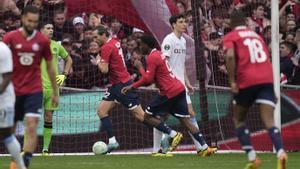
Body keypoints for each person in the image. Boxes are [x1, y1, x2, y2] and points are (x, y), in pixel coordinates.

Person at [90, 26, 183, 153]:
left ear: (104, 35)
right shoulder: (114, 41)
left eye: (96, 37)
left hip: (122, 85)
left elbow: (104, 70)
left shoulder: (106, 48)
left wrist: (98, 60)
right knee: (101, 111)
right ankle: (112, 141)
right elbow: (113, 33)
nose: (94, 40)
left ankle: (171, 133)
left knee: (141, 116)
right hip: (115, 86)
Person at [122, 35, 216, 156]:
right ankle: (203, 147)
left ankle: (172, 134)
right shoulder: (158, 54)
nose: (140, 47)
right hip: (178, 89)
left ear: (146, 45)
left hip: (168, 91)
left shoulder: (152, 57)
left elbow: (148, 80)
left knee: (147, 116)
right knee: (185, 120)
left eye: (141, 45)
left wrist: (137, 73)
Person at [223, 10, 287, 169]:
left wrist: (232, 81)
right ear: (244, 22)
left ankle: (253, 158)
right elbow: (266, 59)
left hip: (247, 80)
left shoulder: (231, 36)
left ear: (231, 24)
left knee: (239, 119)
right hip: (266, 79)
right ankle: (280, 153)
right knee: (269, 121)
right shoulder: (256, 36)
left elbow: (230, 56)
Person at [153, 13, 217, 157]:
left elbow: (181, 64)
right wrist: (165, 83)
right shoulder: (168, 40)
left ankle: (201, 148)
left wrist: (187, 82)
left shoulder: (182, 41)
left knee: (190, 114)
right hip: (170, 85)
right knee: (160, 117)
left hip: (180, 85)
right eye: (181, 22)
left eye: (185, 22)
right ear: (174, 24)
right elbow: (164, 64)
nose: (184, 24)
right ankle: (157, 148)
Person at [3, 6, 58, 168]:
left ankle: (25, 161)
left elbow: (50, 67)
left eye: (35, 22)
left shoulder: (42, 41)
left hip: (34, 90)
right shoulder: (10, 38)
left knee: (32, 124)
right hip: (13, 90)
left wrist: (55, 91)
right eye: (29, 21)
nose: (32, 24)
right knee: (9, 131)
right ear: (22, 19)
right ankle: (16, 158)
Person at [39, 22, 73, 155]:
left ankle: (45, 149)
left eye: (52, 28)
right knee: (31, 118)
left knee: (48, 117)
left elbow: (69, 60)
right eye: (48, 28)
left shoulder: (56, 46)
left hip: (53, 89)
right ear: (41, 30)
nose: (51, 30)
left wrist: (64, 75)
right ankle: (25, 149)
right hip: (36, 87)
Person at [0, 41, 26, 169]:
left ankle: (20, 166)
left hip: (4, 99)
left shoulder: (3, 49)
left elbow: (7, 76)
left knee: (6, 134)